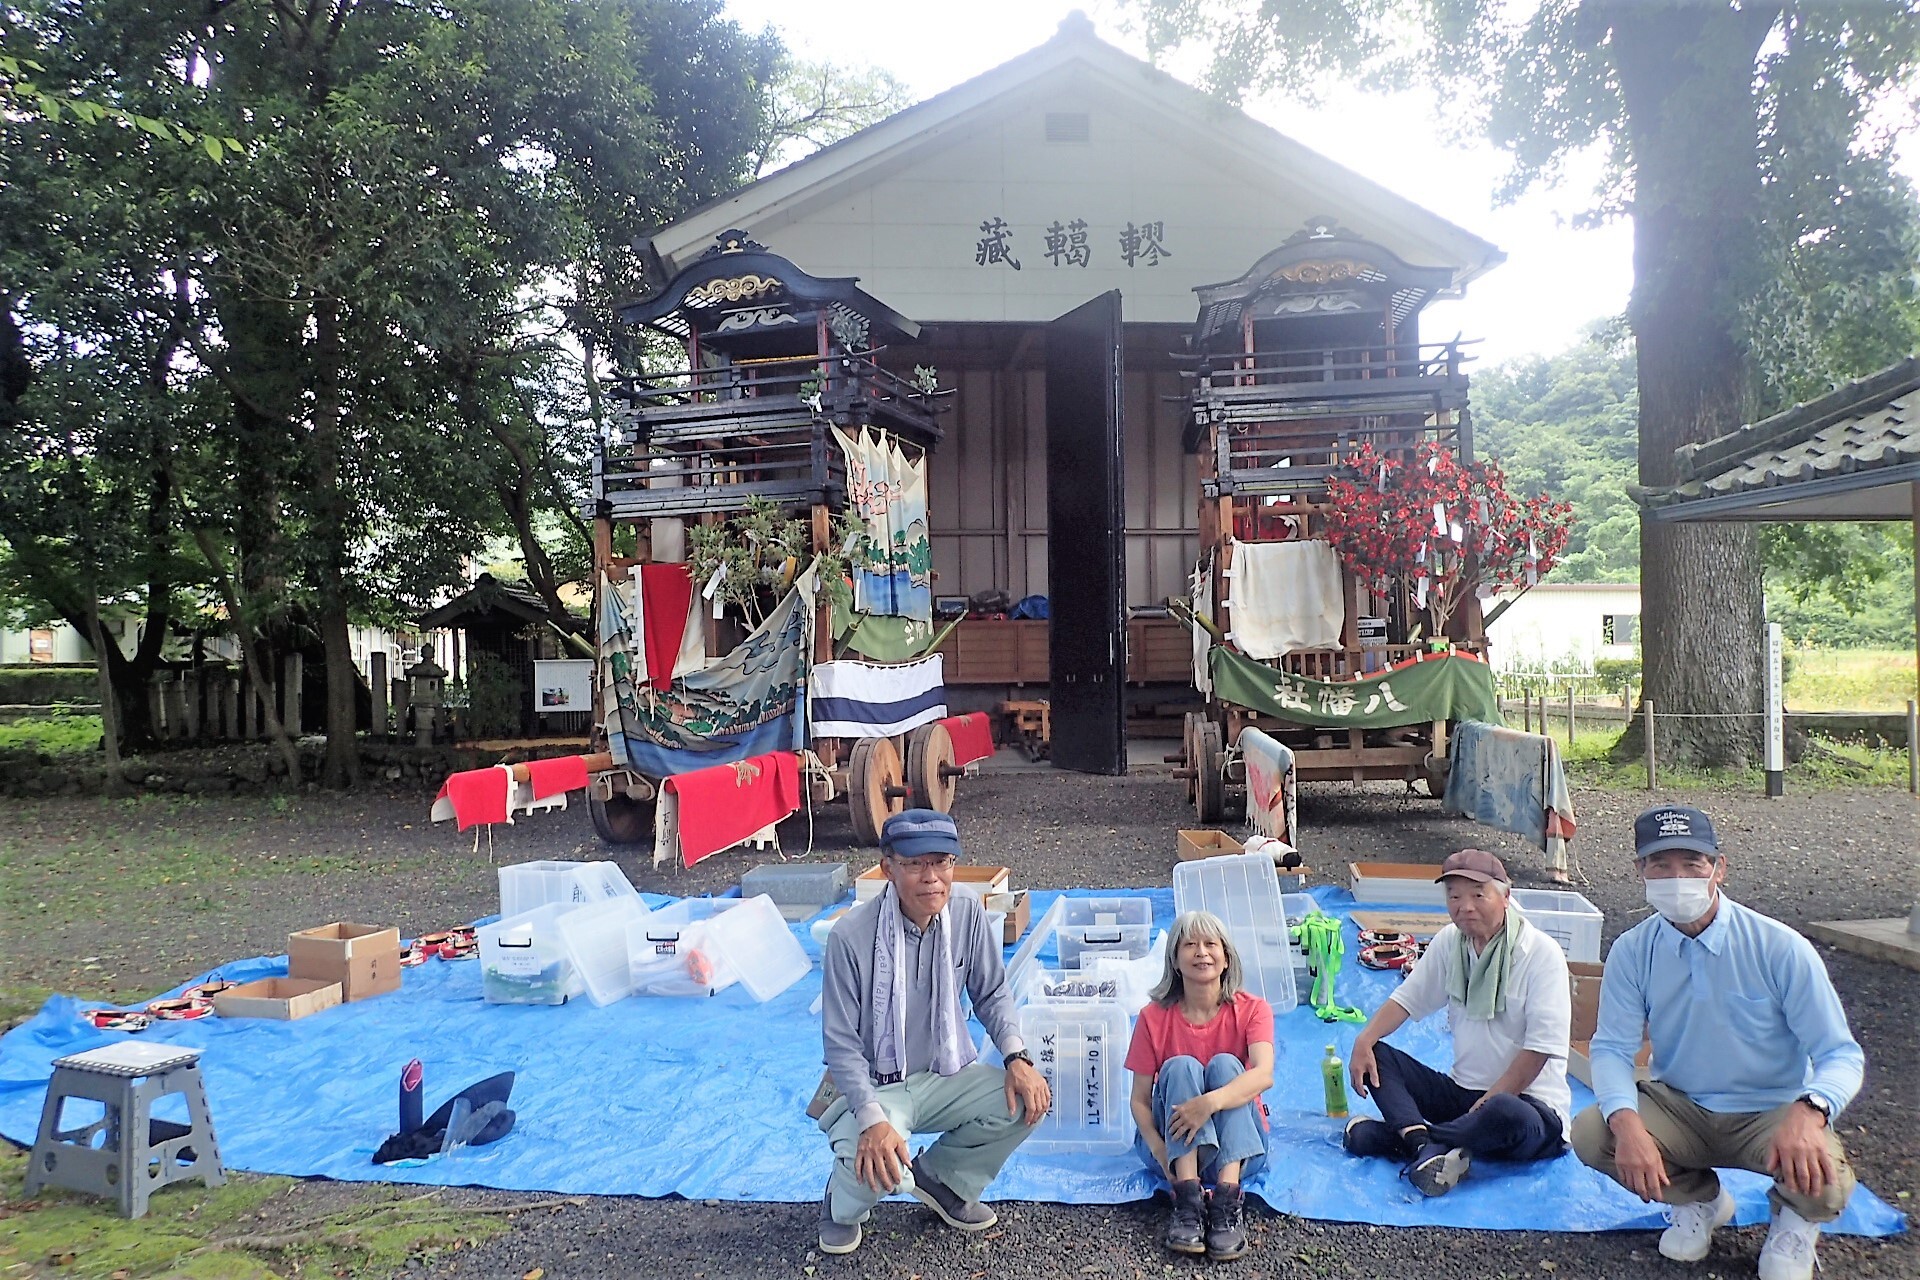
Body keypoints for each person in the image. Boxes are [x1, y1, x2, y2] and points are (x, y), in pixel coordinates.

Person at [1572, 806, 1862, 1280]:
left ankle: (1793, 1221)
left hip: (1771, 1108)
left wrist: (1810, 1111)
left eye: (1693, 863)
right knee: (1592, 1133)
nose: (1677, 877)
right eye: (1660, 865)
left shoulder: (1779, 947)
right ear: (1639, 871)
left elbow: (1840, 1053)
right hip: (1682, 1105)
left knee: (1824, 1181)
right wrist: (1627, 1126)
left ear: (1719, 869)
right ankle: (1699, 1200)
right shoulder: (1632, 950)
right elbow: (1610, 1048)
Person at [816, 808, 1051, 1256]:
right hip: (876, 1084)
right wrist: (871, 1120)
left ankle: (942, 1179)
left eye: (941, 861)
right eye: (914, 864)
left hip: (945, 1073)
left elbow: (992, 994)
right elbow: (841, 1044)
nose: (932, 878)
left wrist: (1017, 1058)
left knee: (1026, 1099)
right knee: (884, 1168)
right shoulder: (850, 936)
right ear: (888, 868)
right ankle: (840, 1203)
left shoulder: (967, 911)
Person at [1343, 848, 1572, 1196]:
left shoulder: (1542, 954)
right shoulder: (1451, 942)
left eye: (1478, 895)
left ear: (1506, 896)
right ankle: (1426, 1148)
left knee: (1504, 1111)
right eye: (1454, 896)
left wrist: (1483, 1108)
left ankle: (1413, 1139)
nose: (1465, 906)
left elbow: (1539, 1051)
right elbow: (1407, 998)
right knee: (1378, 1054)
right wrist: (1364, 1040)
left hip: (1528, 1106)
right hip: (1464, 1093)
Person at [1124, 910, 1274, 1261]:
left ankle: (1226, 1198)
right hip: (1172, 1154)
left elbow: (1264, 1073)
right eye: (1190, 944)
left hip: (1239, 1150)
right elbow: (1139, 1100)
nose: (1201, 952)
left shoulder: (1253, 1009)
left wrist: (1207, 1104)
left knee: (1227, 1066)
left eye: (1211, 944)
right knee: (1180, 1067)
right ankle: (1187, 1198)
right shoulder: (1153, 1016)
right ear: (1175, 960)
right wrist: (1161, 1152)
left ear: (1226, 958)